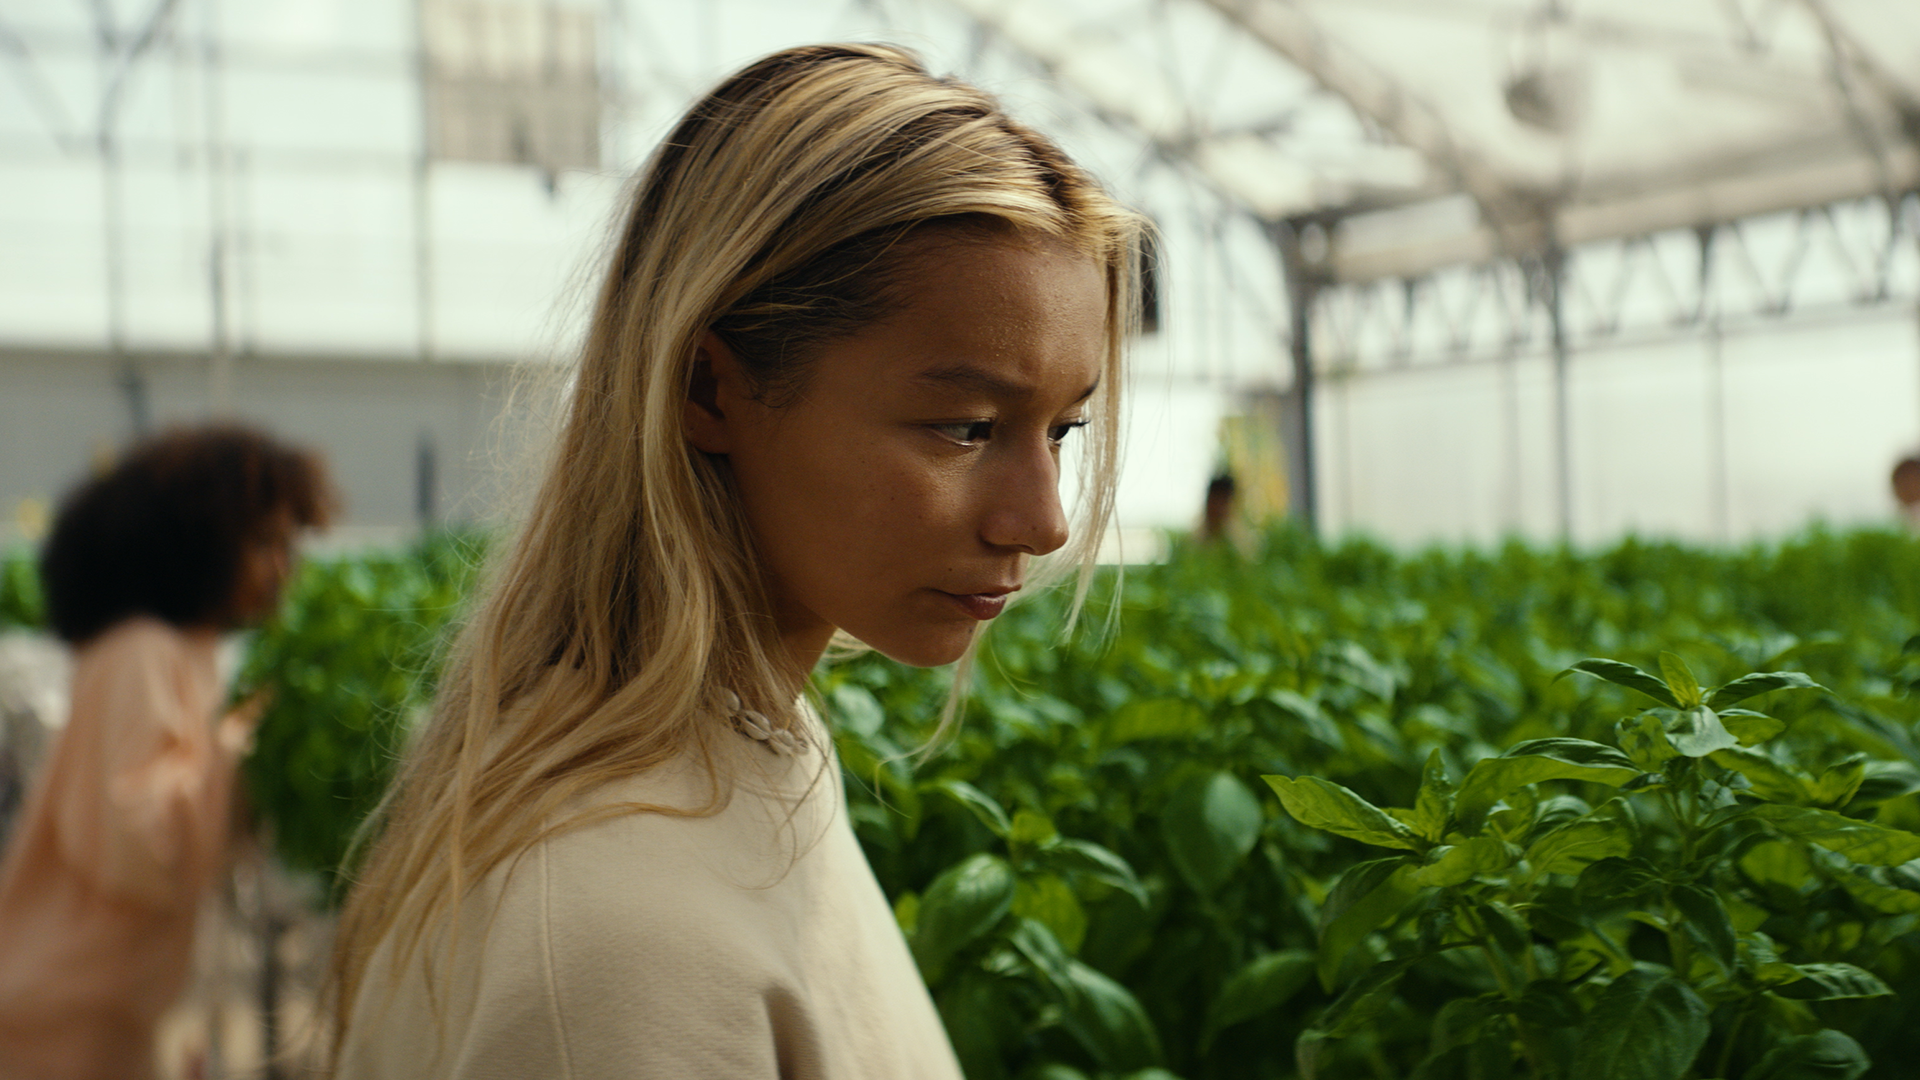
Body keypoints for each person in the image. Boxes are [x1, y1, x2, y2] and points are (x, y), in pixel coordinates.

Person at [326, 43, 1143, 1079]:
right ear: (710, 392)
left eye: (1063, 431)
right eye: (965, 427)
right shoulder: (623, 945)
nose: (1044, 522)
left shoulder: (755, 743)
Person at [0, 425, 336, 1080]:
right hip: (68, 1017)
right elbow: (140, 839)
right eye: (263, 543)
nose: (282, 568)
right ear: (196, 542)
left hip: (103, 1010)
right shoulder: (142, 656)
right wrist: (245, 746)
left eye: (288, 545)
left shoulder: (180, 654)